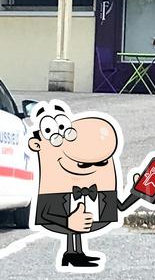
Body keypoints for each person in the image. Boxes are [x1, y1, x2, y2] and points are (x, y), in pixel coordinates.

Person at [27, 100, 141, 270]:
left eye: (102, 163)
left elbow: (121, 207)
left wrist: (139, 191)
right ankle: (72, 253)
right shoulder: (53, 190)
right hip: (64, 217)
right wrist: (67, 221)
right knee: (75, 223)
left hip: (88, 217)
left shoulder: (101, 189)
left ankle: (75, 254)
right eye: (83, 164)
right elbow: (45, 215)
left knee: (78, 223)